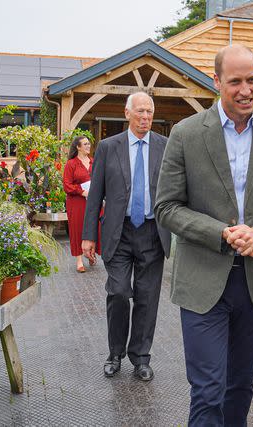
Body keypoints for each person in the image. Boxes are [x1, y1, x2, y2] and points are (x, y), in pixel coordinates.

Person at [154, 44, 253, 426]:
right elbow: (167, 206)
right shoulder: (186, 134)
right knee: (207, 390)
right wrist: (220, 233)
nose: (245, 90)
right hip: (203, 282)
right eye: (235, 81)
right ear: (216, 81)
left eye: (251, 80)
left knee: (240, 387)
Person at [81, 92, 171, 381]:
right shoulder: (109, 147)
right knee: (118, 293)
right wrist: (88, 235)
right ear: (127, 113)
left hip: (152, 233)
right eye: (140, 111)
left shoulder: (164, 146)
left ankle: (141, 357)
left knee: (147, 298)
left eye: (149, 112)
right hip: (118, 233)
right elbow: (95, 193)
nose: (145, 117)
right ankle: (114, 353)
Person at [63, 136, 100, 273]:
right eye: (85, 144)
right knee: (77, 229)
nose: (88, 146)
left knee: (95, 227)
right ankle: (79, 261)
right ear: (78, 147)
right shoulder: (71, 164)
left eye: (89, 143)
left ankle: (91, 253)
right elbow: (67, 185)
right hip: (76, 202)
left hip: (93, 201)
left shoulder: (94, 162)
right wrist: (82, 192)